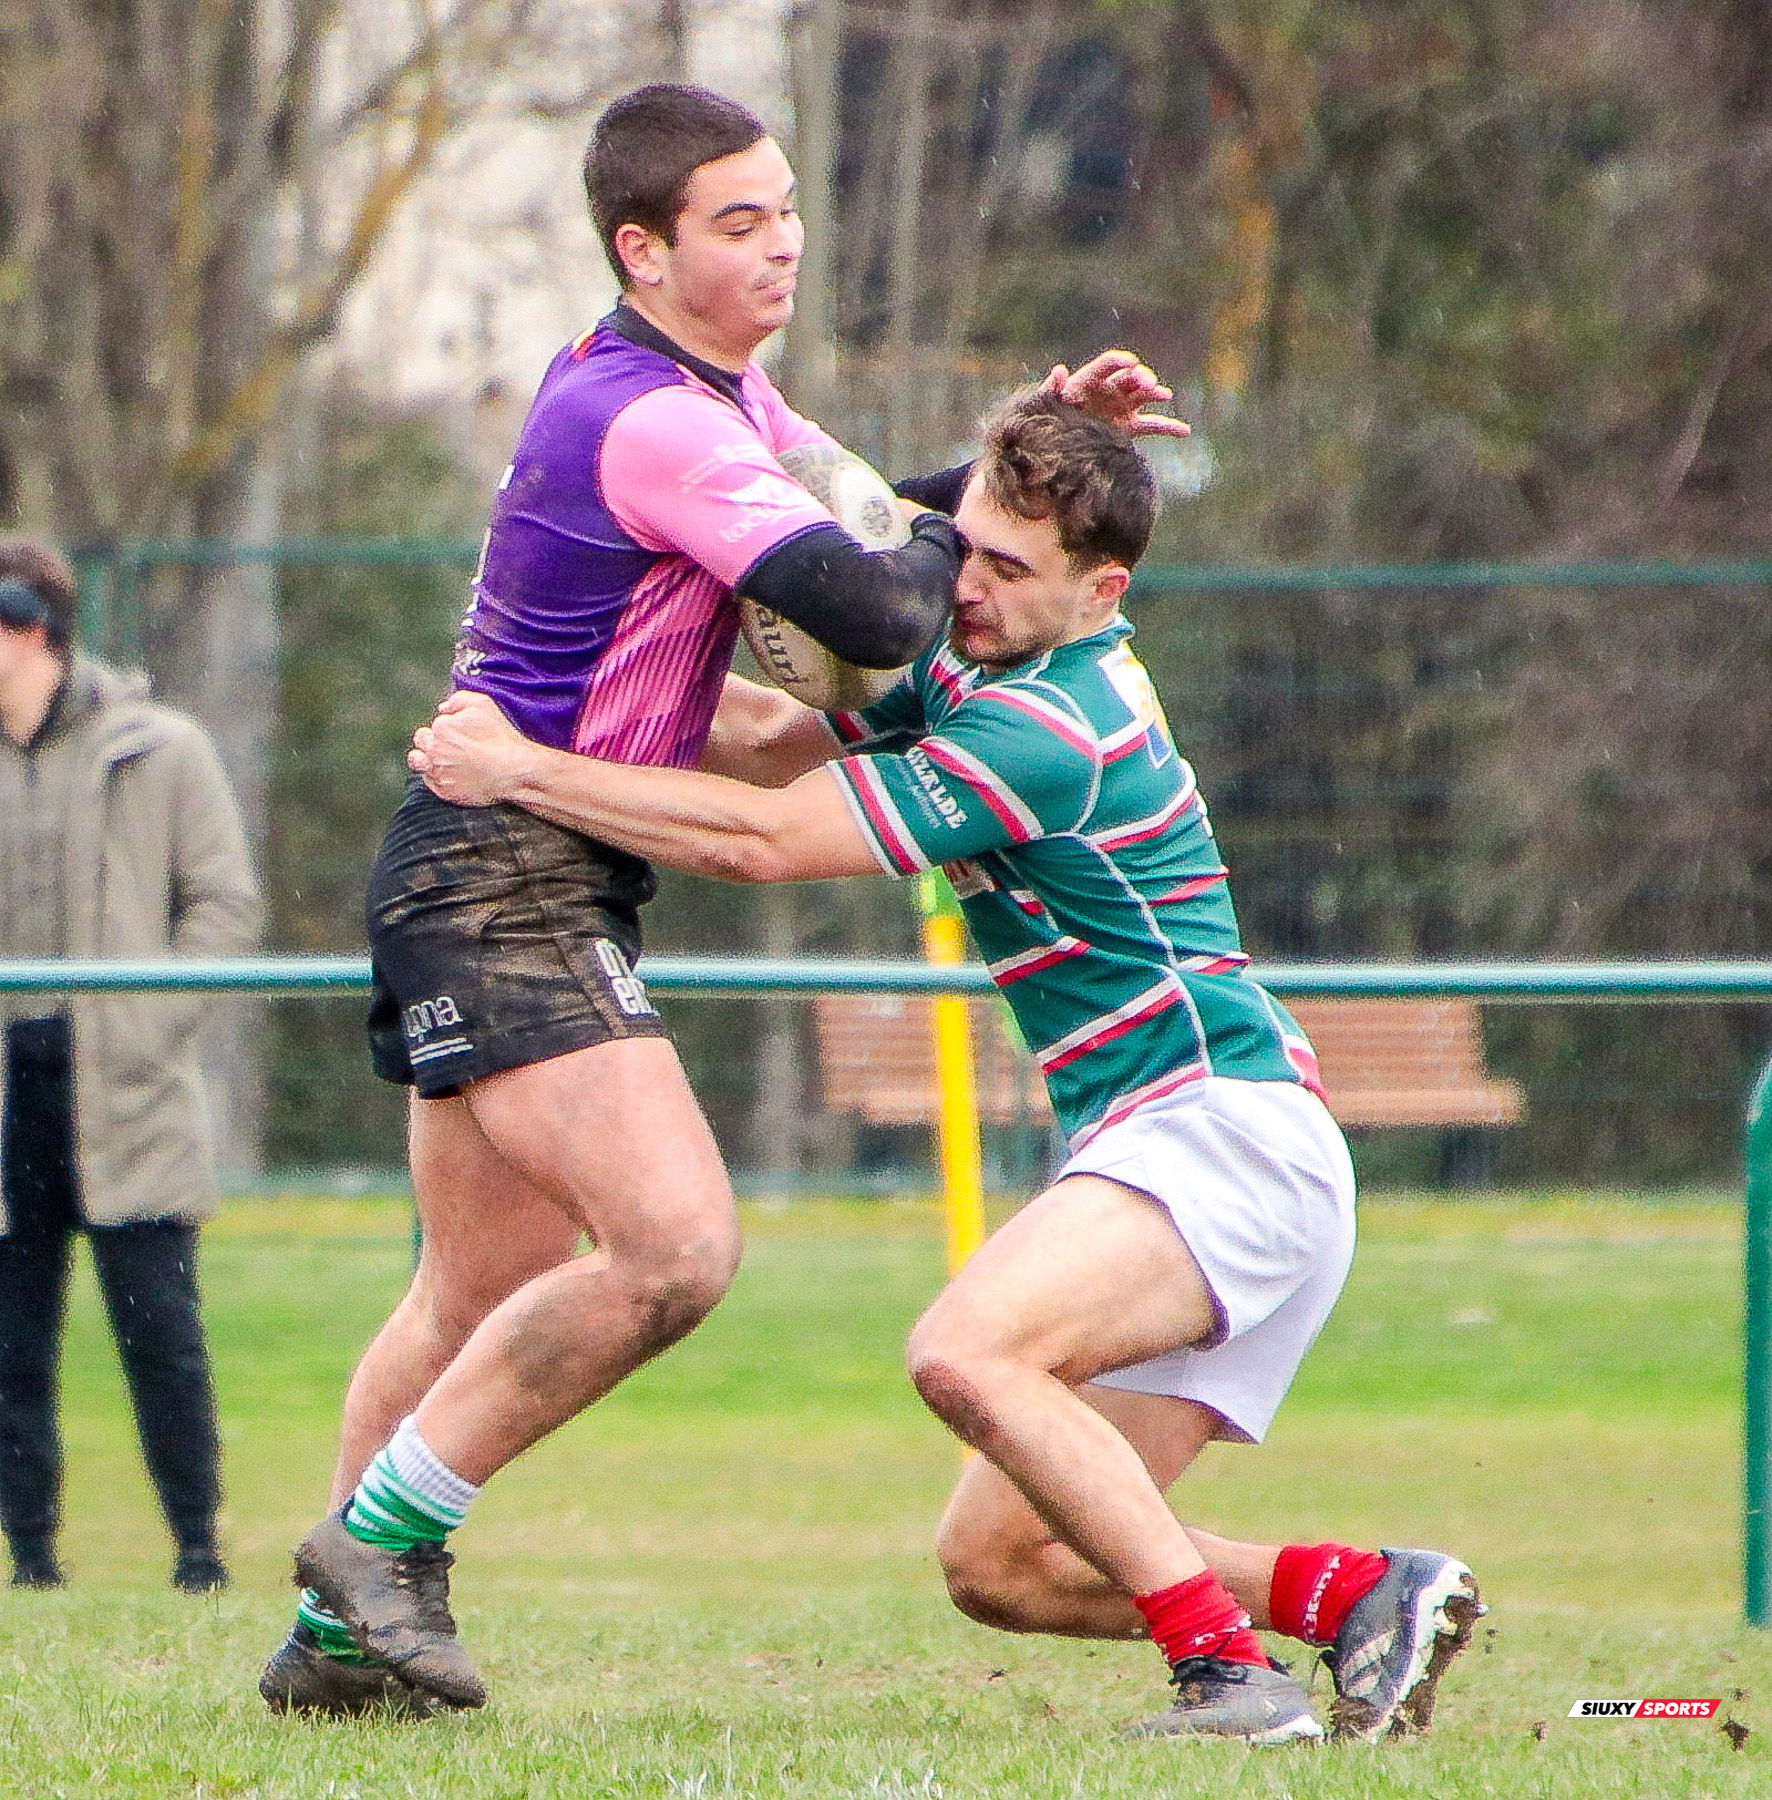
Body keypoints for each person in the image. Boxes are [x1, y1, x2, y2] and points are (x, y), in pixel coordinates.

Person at [259, 80, 1180, 1719]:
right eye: (739, 224)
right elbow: (879, 607)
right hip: (506, 870)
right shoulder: (661, 423)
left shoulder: (712, 397)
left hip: (493, 856)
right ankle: (377, 1547)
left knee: (472, 1296)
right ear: (643, 251)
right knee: (677, 1246)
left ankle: (341, 1643)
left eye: (789, 210)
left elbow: (877, 533)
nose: (784, 247)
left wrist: (1022, 456)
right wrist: (980, 507)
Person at [409, 388, 1485, 1746]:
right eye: (964, 548)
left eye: (1006, 569)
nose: (962, 586)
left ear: (1102, 591)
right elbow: (764, 733)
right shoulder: (983, 655)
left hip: (1221, 1135)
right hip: (1198, 1150)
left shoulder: (1051, 728)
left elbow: (759, 839)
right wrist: (573, 673)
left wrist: (518, 767)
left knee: (967, 1351)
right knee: (1002, 1566)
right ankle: (1361, 1597)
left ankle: (1228, 1679)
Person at [0, 537, 261, 1593]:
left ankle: (198, 1553)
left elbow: (224, 905)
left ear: (30, 629)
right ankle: (31, 1561)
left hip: (128, 1089)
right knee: (12, 1346)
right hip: (9, 1091)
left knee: (161, 1338)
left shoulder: (163, 748)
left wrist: (147, 1023)